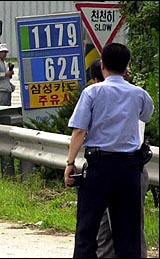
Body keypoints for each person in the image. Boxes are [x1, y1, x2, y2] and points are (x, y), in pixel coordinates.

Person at [64, 43, 154, 258]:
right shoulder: (139, 94)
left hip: (99, 166)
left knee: (87, 229)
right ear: (127, 67)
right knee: (128, 232)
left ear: (102, 65)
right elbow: (146, 116)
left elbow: (79, 131)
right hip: (129, 168)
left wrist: (70, 163)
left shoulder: (92, 92)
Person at [90, 61, 149, 258]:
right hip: (133, 167)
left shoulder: (104, 97)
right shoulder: (135, 96)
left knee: (112, 229)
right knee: (126, 228)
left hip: (116, 166)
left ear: (98, 79)